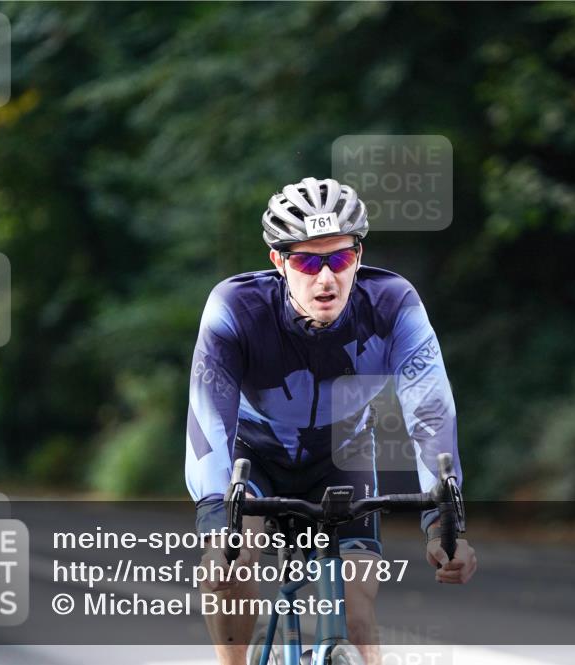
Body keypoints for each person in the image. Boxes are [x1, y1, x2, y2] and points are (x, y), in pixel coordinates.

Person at [185, 177, 476, 665]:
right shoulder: (236, 308)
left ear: (358, 256)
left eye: (339, 259)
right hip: (252, 458)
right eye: (307, 261)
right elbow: (207, 423)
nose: (326, 278)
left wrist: (444, 523)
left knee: (358, 615)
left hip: (344, 458)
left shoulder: (392, 304)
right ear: (279, 261)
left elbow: (429, 411)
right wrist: (216, 524)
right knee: (231, 569)